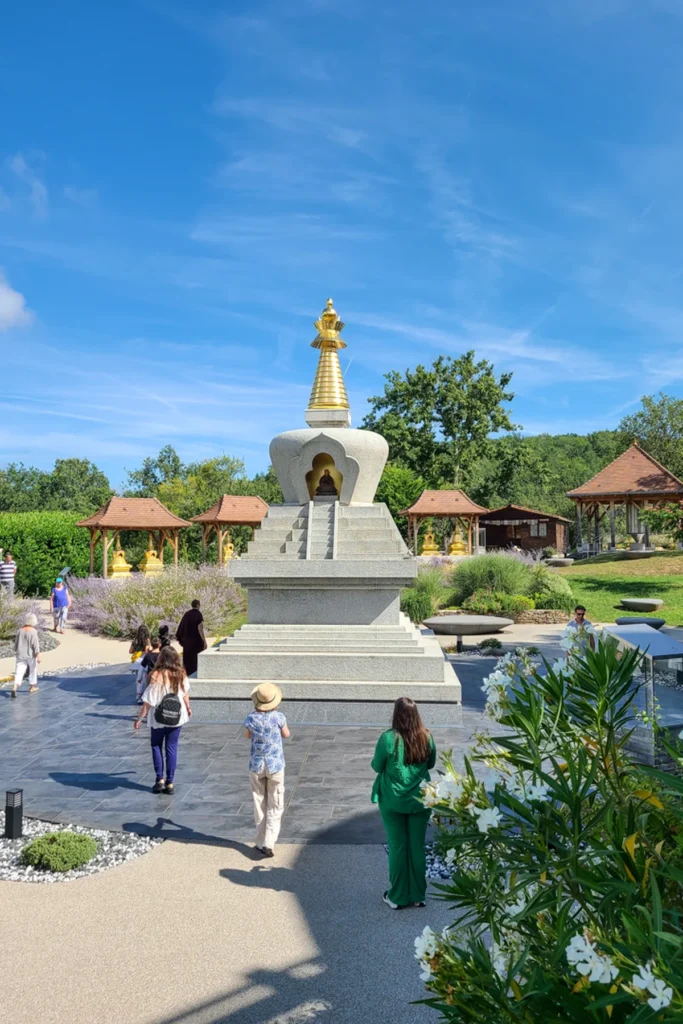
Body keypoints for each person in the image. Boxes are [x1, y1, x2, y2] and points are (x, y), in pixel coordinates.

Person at [372, 697, 436, 909]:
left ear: (396, 714)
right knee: (417, 846)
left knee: (398, 847)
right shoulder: (427, 736)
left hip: (393, 800)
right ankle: (419, 895)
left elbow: (376, 766)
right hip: (420, 799)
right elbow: (432, 763)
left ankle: (398, 896)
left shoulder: (388, 739)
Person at [134, 646, 191, 794]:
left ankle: (159, 779)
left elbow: (149, 701)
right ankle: (170, 782)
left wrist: (140, 717)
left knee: (156, 745)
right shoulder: (181, 673)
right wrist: (188, 707)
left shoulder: (156, 675)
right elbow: (185, 693)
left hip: (158, 717)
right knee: (172, 748)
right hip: (176, 716)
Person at [244, 683, 290, 857]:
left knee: (259, 801)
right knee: (275, 803)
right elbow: (286, 734)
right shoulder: (279, 717)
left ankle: (260, 840)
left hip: (256, 764)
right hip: (275, 764)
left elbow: (247, 735)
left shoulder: (251, 718)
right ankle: (269, 842)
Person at [11, 613, 41, 698]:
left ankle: (15, 687)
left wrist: (15, 649)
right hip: (30, 655)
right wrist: (38, 655)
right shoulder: (33, 631)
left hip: (20, 654)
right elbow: (35, 644)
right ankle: (32, 687)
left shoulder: (20, 630)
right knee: (32, 670)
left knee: (19, 672)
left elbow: (16, 642)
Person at [175, 599, 207, 676]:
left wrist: (181, 640)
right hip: (196, 642)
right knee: (196, 661)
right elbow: (200, 628)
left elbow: (181, 627)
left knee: (188, 662)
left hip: (187, 643)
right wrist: (204, 641)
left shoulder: (186, 614)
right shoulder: (198, 614)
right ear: (198, 605)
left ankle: (187, 676)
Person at [135, 636, 161, 704]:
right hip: (160, 675)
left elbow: (141, 667)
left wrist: (139, 678)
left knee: (150, 689)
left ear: (151, 645)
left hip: (150, 675)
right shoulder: (162, 655)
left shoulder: (148, 655)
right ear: (160, 644)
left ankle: (146, 701)